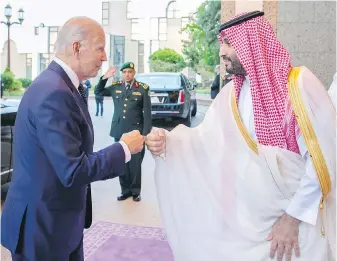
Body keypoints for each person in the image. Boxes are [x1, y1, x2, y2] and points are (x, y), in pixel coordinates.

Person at [146, 11, 335, 261]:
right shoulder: (230, 95)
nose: (222, 52)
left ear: (252, 42)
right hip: (247, 223)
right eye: (221, 43)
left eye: (229, 42)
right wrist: (167, 141)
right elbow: (204, 142)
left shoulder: (298, 86)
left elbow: (322, 161)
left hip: (297, 225)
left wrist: (291, 220)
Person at [1, 17, 145, 261]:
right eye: (100, 48)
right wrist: (123, 149)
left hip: (59, 222)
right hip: (43, 229)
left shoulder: (65, 85)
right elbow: (74, 168)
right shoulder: (54, 92)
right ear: (77, 47)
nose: (104, 57)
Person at [94, 62, 152, 202]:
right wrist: (104, 78)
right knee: (122, 162)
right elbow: (98, 91)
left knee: (135, 164)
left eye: (130, 72)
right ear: (122, 73)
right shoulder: (116, 87)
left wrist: (145, 134)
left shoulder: (143, 89)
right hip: (119, 131)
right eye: (125, 72)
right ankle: (125, 191)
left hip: (136, 132)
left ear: (134, 73)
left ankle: (135, 191)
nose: (127, 74)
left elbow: (147, 113)